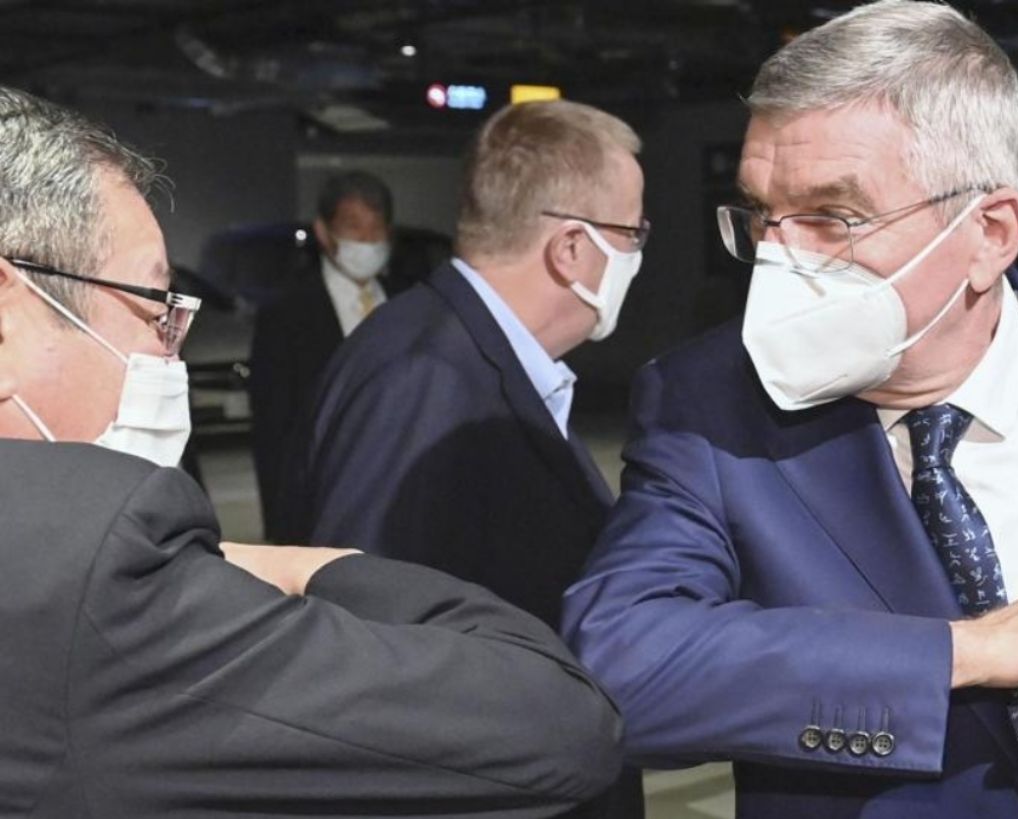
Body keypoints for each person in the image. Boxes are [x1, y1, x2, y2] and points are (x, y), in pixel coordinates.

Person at [561, 2, 1018, 817]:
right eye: (763, 216)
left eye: (831, 218)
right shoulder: (709, 402)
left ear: (990, 232)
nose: (776, 259)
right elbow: (616, 670)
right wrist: (960, 652)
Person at [0, 85, 621, 817]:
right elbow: (560, 723)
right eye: (156, 307)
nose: (170, 354)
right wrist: (300, 564)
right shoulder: (97, 572)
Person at [288, 99, 648, 818]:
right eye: (632, 232)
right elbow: (370, 650)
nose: (639, 253)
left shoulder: (464, 352)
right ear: (571, 249)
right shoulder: (423, 378)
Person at [248, 171, 409, 541]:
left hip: (401, 499)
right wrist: (282, 529)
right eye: (354, 228)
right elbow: (273, 429)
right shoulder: (286, 314)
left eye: (376, 229)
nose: (367, 241)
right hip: (325, 507)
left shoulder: (407, 301)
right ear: (324, 232)